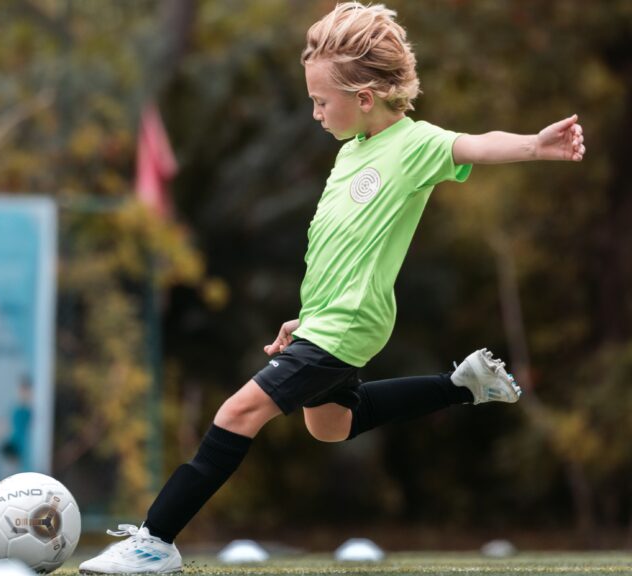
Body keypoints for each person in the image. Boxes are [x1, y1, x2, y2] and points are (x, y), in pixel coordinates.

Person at [79, 3, 585, 574]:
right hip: (328, 318)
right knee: (332, 425)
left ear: (364, 98)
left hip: (351, 321)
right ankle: (462, 385)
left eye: (322, 102)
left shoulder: (413, 145)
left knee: (237, 412)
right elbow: (339, 247)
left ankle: (155, 540)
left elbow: (473, 144)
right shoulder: (350, 153)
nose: (315, 113)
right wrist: (306, 317)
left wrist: (535, 146)